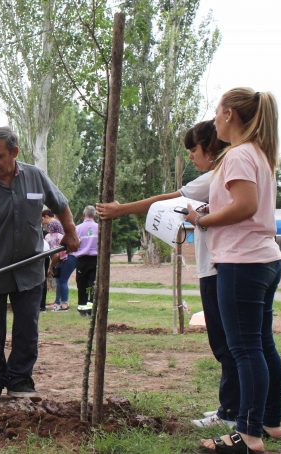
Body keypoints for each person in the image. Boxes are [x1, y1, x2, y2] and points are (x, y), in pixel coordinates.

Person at [97, 120, 236, 428]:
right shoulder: (218, 177)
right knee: (228, 342)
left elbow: (167, 199)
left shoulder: (213, 178)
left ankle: (232, 412)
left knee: (225, 343)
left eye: (193, 149)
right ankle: (233, 409)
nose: (191, 157)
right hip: (215, 266)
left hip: (216, 269)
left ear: (210, 148)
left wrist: (121, 209)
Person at [189, 89, 281, 454]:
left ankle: (248, 436)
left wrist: (204, 219)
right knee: (261, 344)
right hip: (263, 259)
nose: (214, 121)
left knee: (245, 349)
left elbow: (245, 205)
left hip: (242, 262)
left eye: (216, 113)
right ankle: (269, 422)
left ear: (229, 114)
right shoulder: (259, 154)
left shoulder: (239, 155)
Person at [0, 127, 80, 403]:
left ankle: (20, 380)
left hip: (30, 270)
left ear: (14, 152)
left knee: (27, 328)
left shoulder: (35, 177)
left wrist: (71, 233)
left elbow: (60, 205)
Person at [73, 206, 98, 315]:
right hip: (95, 260)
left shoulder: (77, 228)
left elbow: (74, 244)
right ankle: (91, 307)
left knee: (82, 284)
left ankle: (82, 308)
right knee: (93, 284)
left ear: (84, 215)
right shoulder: (100, 227)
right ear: (95, 215)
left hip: (82, 260)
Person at [45, 220, 75, 311]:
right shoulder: (61, 236)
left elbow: (55, 254)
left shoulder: (48, 237)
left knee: (62, 281)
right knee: (59, 281)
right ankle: (58, 302)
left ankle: (64, 303)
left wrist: (51, 267)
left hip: (65, 259)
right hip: (67, 259)